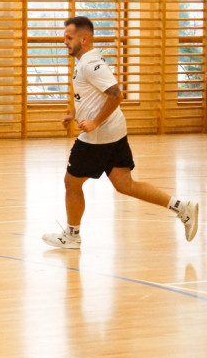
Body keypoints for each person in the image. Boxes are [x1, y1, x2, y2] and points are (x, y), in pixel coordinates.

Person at [42, 16, 199, 249]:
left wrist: (94, 122)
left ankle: (72, 236)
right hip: (113, 132)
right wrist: (74, 115)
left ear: (84, 39)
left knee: (71, 183)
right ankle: (181, 206)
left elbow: (116, 95)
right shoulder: (84, 62)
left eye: (69, 37)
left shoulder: (89, 64)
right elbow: (92, 95)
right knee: (125, 184)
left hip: (98, 137)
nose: (64, 41)